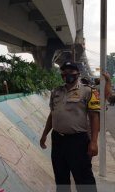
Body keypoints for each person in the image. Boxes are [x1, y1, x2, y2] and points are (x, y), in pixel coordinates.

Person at [40, 61, 100, 192]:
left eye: (71, 72)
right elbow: (52, 114)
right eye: (64, 72)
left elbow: (94, 117)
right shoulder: (56, 92)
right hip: (58, 140)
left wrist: (94, 142)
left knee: (84, 178)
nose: (67, 75)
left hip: (78, 141)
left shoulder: (88, 91)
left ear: (77, 74)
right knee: (61, 177)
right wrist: (44, 134)